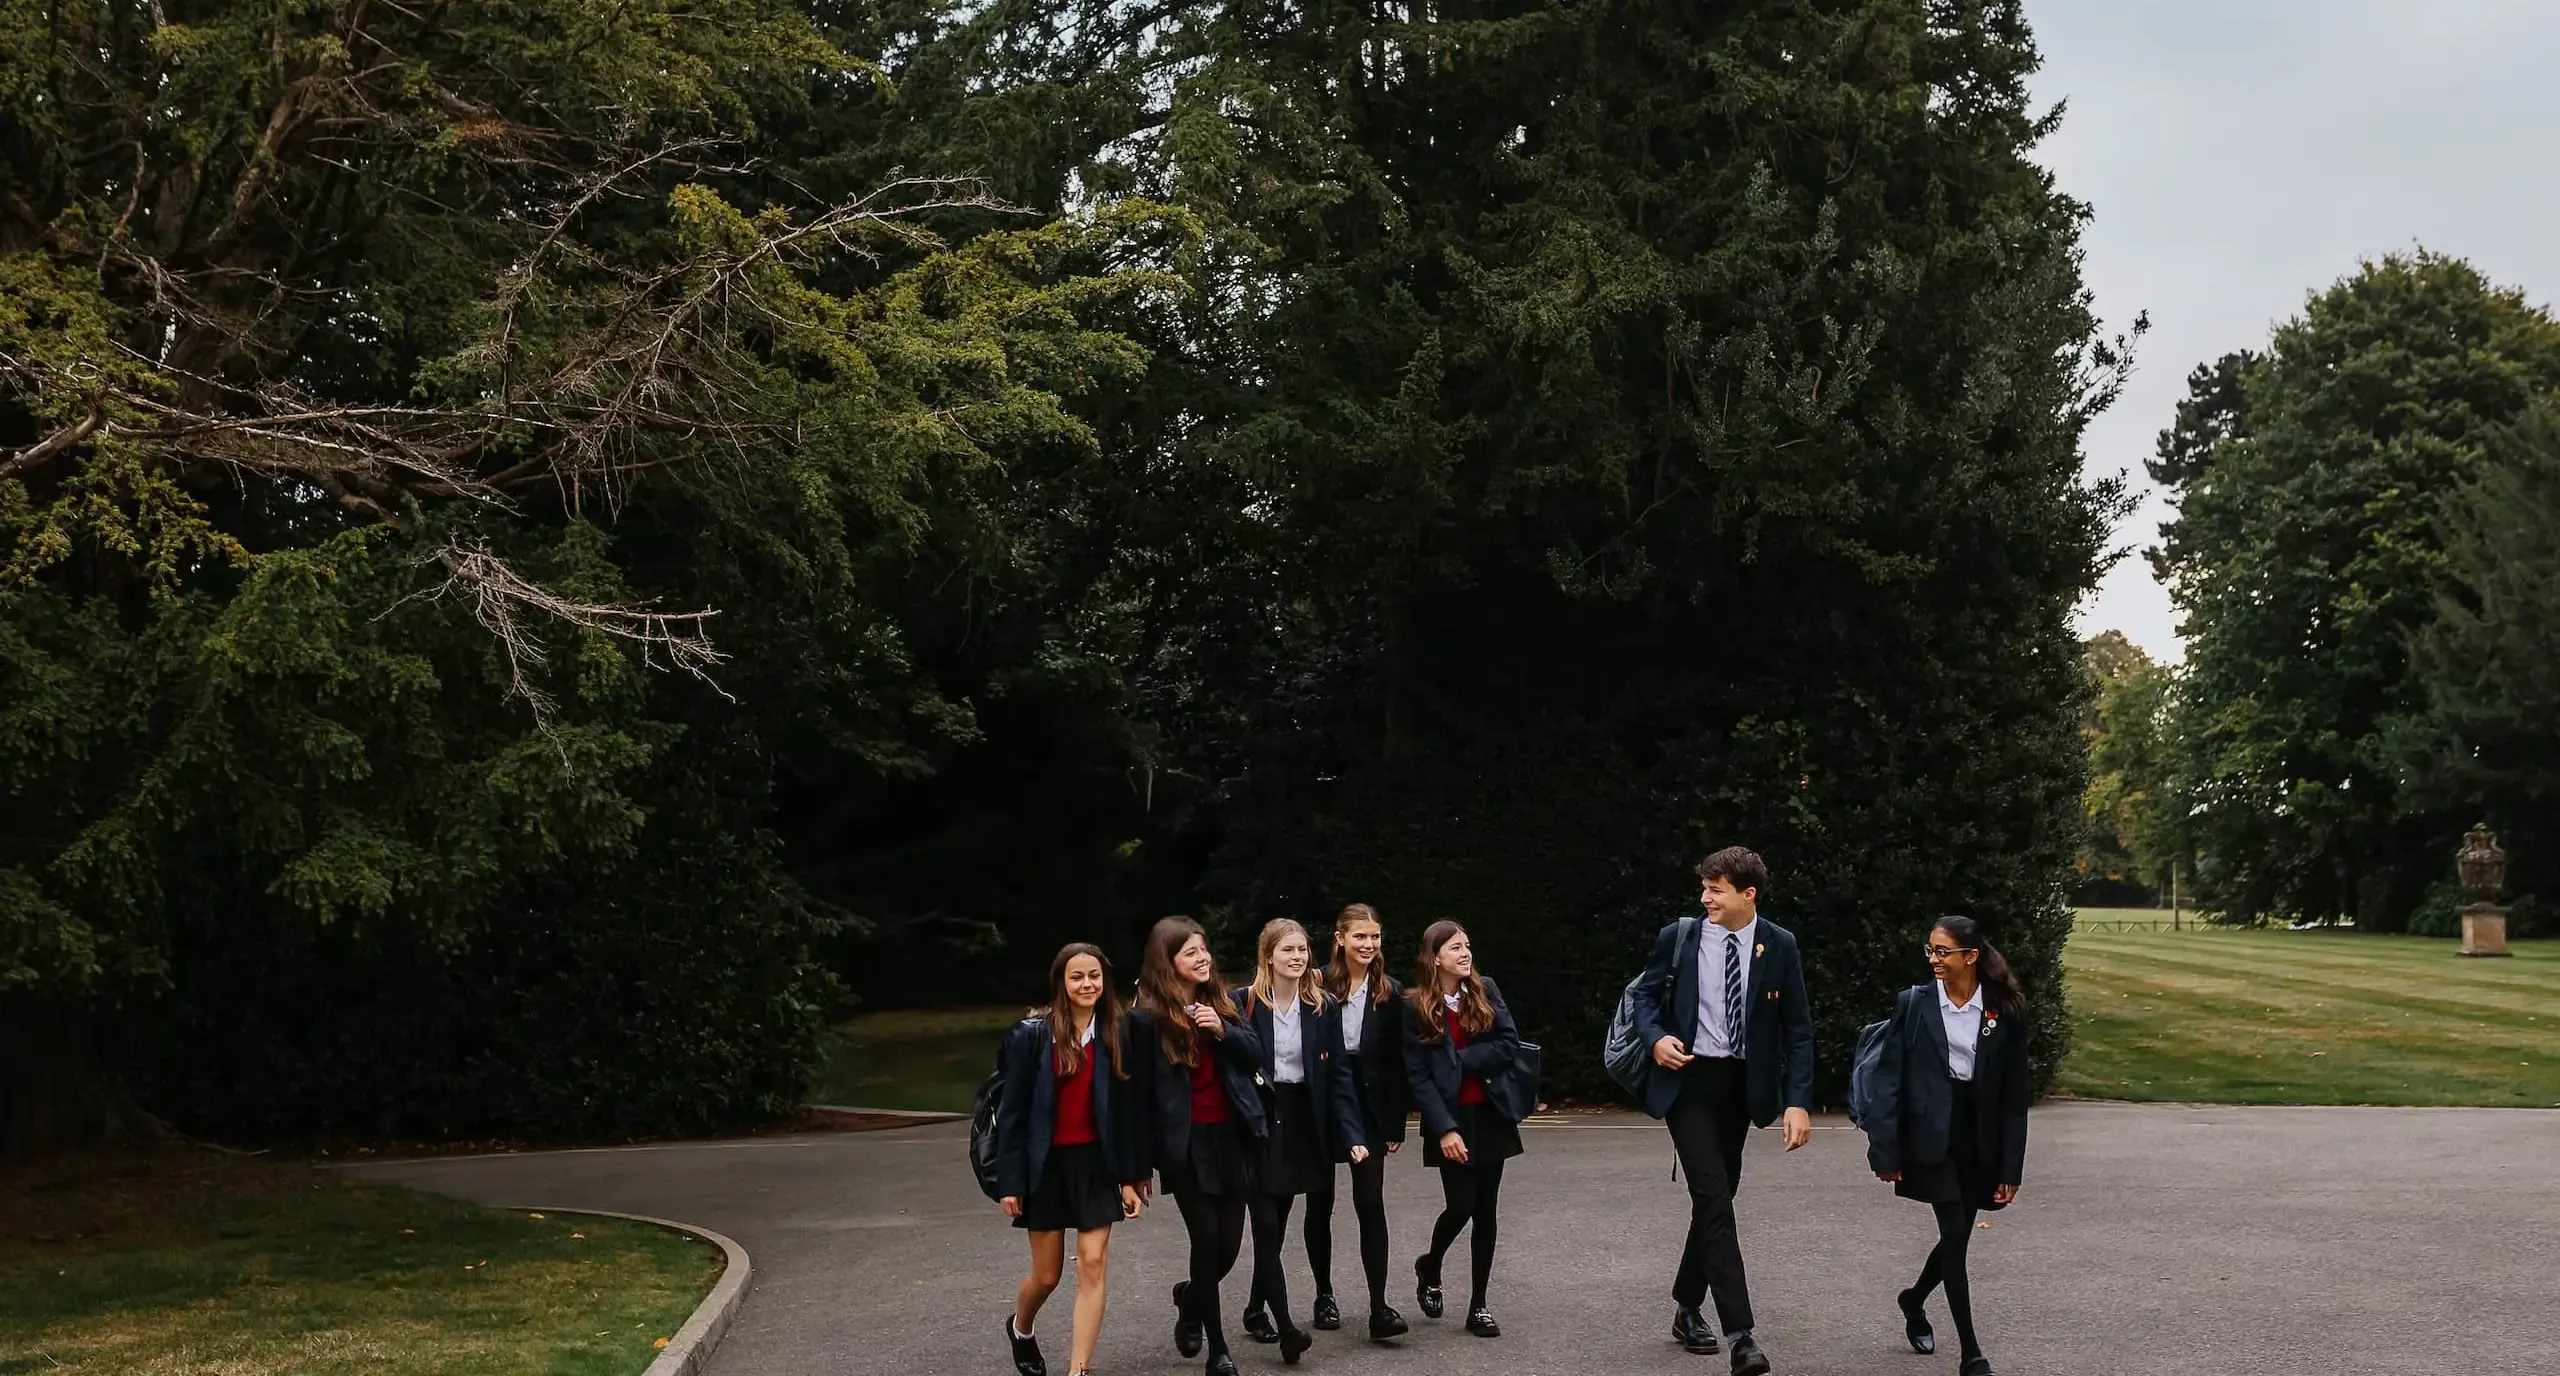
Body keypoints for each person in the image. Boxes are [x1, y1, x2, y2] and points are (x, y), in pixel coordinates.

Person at [1624, 846, 1815, 1376]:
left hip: (1742, 1087)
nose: (1705, 898)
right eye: (1704, 888)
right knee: (1713, 1196)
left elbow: (1797, 1030)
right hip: (1687, 1083)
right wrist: (1656, 1037)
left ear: (1746, 895)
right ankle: (1741, 1336)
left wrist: (1797, 1101)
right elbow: (1643, 999)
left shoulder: (1779, 945)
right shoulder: (1679, 937)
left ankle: (1687, 1305)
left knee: (1717, 1198)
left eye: (1716, 890)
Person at [1864, 915, 2031, 1376]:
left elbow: (2016, 1098)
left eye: (1943, 952)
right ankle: (1971, 1354)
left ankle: (1913, 1300)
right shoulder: (1914, 1004)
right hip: (1929, 1135)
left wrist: (2011, 1167)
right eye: (1931, 951)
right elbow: (1889, 1079)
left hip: (1979, 1137)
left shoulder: (2005, 1009)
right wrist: (1886, 1149)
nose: (1934, 960)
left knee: (1955, 1237)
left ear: (1970, 957)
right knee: (1956, 1238)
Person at [995, 943, 1151, 1376]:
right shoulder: (1032, 1037)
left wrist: (1131, 1178)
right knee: (1046, 1276)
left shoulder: (1118, 1033)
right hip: (1044, 1166)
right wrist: (1010, 1182)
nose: (1087, 984)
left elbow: (1128, 1114)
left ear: (1105, 981)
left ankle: (1077, 1370)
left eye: (1095, 976)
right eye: (1077, 977)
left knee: (1094, 1262)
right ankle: (1021, 1327)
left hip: (1098, 1164)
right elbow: (1013, 1116)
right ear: (1061, 983)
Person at [1133, 917, 1268, 1376]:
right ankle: (1219, 1349)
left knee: (1229, 1246)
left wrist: (1221, 1031)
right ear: (1167, 962)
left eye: (1204, 949)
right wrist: (1137, 1169)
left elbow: (1255, 1054)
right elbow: (1139, 1098)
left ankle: (1190, 1300)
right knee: (1206, 1240)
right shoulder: (1146, 1020)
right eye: (1190, 952)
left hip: (1231, 1137)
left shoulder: (1224, 1003)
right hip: (1187, 1145)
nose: (1203, 958)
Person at [1233, 919, 1369, 1364]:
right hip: (1260, 1118)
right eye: (1287, 950)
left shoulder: (1322, 1007)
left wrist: (1352, 1136)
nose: (1297, 957)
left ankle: (1252, 1308)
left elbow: (1340, 1079)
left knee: (1281, 1218)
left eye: (1302, 950)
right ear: (1267, 956)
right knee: (1266, 1225)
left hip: (1303, 1119)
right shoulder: (1245, 1003)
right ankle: (1287, 1326)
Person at [1401, 918, 1525, 1340]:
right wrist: (1444, 1129)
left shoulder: (1484, 988)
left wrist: (1461, 1061)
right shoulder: (1414, 1005)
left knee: (1486, 1211)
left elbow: (1509, 1044)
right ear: (1435, 957)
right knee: (1461, 1206)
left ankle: (1479, 1306)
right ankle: (1430, 1265)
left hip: (1489, 1114)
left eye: (1467, 945)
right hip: (1451, 1121)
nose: (1465, 953)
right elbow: (1418, 1077)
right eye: (1455, 947)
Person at [1308, 904, 1411, 1341]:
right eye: (1360, 937)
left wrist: (1395, 1124)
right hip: (1324, 1097)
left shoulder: (1389, 992)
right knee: (1319, 1201)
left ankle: (1378, 1306)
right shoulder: (1316, 984)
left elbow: (1397, 1062)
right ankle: (1324, 1294)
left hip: (1370, 1105)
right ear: (1340, 939)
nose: (1368, 945)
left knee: (1370, 1201)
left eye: (1375, 937)